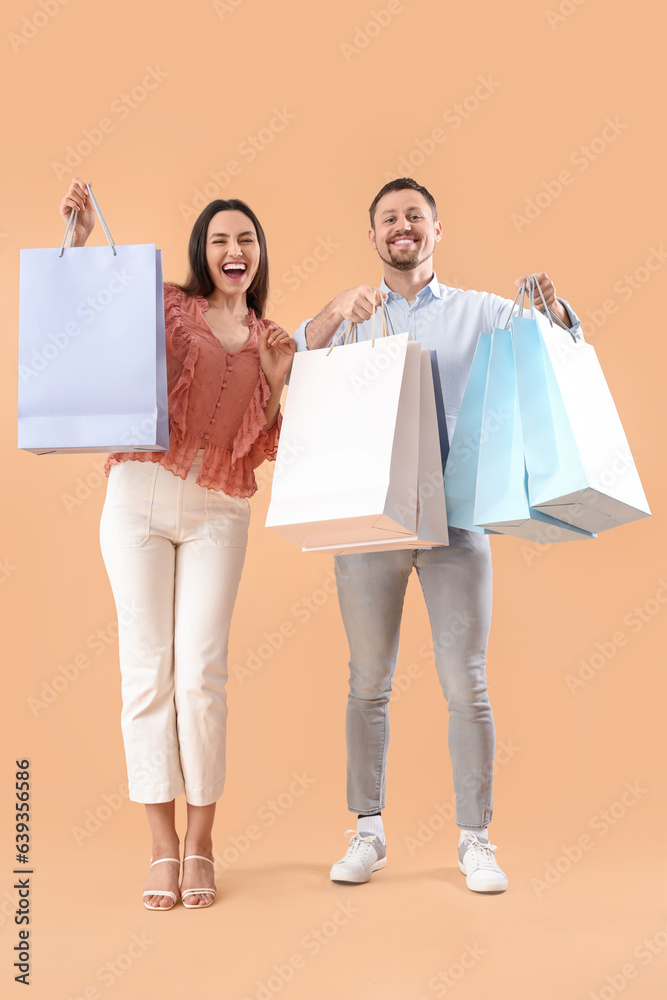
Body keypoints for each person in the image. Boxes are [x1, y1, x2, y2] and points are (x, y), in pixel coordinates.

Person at [292, 177, 583, 893]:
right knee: (368, 683)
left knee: (467, 685)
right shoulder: (356, 314)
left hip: (456, 518)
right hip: (371, 521)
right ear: (372, 237)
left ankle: (474, 840)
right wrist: (334, 309)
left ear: (435, 231)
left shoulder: (478, 312)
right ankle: (367, 832)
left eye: (414, 217)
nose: (402, 228)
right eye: (389, 219)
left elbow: (561, 348)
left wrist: (554, 308)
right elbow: (292, 363)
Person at [59, 176, 295, 909]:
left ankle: (202, 842)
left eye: (246, 239)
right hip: (138, 497)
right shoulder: (166, 304)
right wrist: (77, 239)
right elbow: (83, 317)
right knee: (147, 669)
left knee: (200, 673)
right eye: (221, 238)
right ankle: (162, 848)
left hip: (219, 509)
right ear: (203, 251)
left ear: (259, 257)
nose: (234, 249)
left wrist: (281, 384)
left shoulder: (271, 341)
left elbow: (262, 447)